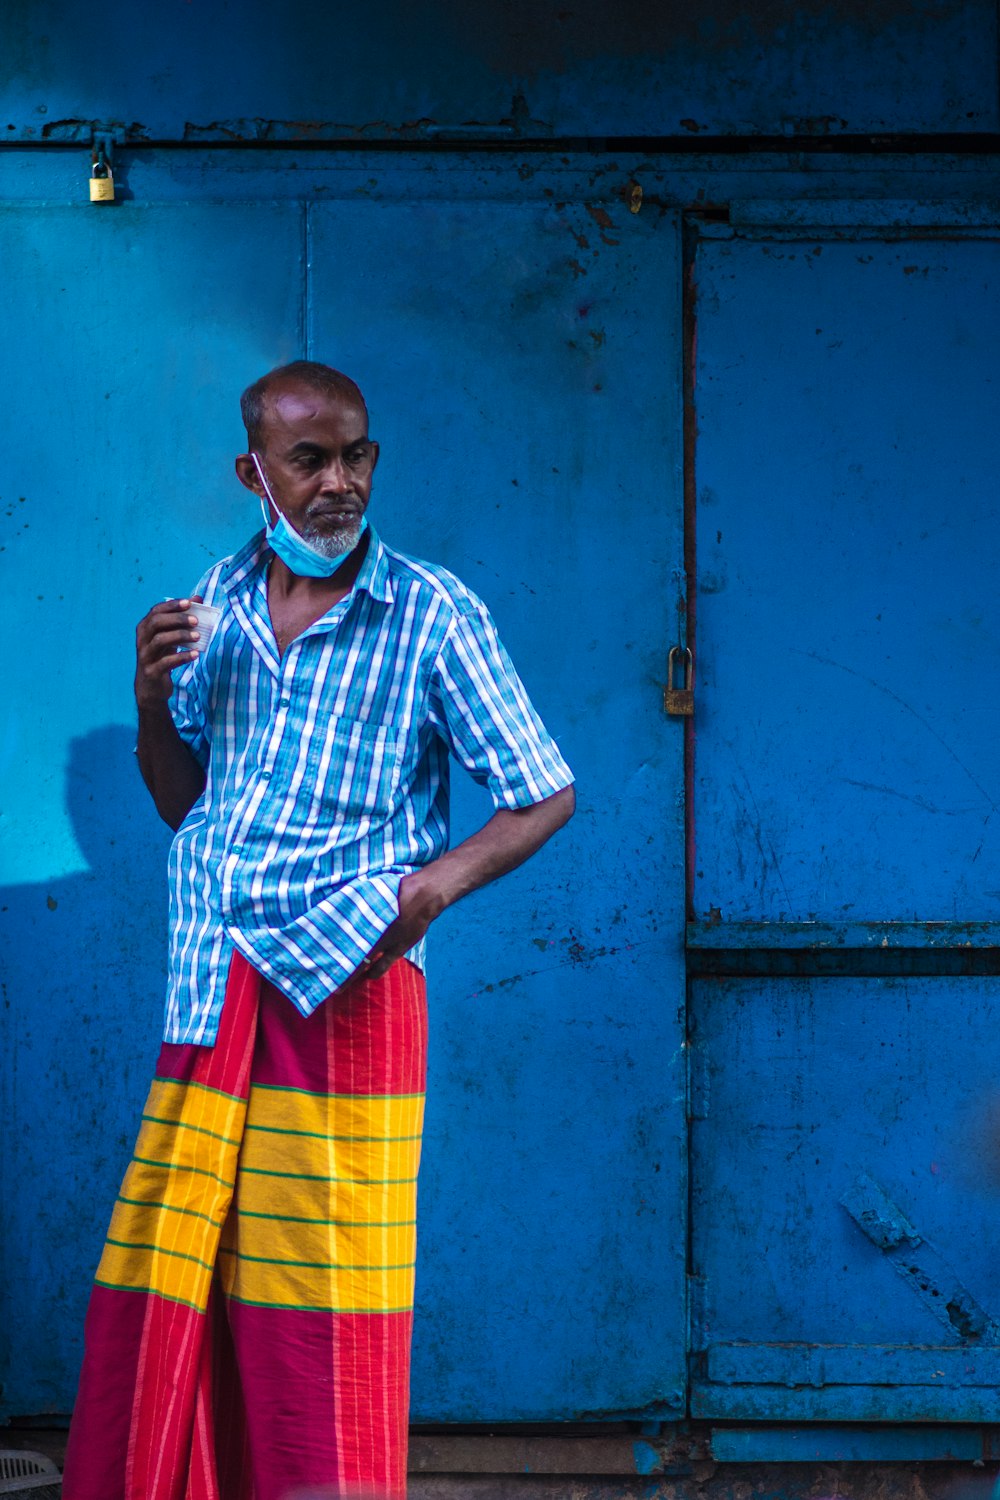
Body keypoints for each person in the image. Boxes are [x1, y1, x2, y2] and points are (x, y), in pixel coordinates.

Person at [62, 362, 574, 1500]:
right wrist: (149, 702)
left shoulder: (432, 612)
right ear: (255, 472)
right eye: (310, 460)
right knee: (181, 1272)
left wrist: (437, 885)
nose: (339, 481)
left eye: (356, 455)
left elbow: (544, 793)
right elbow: (181, 801)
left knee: (322, 1300)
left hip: (346, 985)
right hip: (212, 984)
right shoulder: (216, 605)